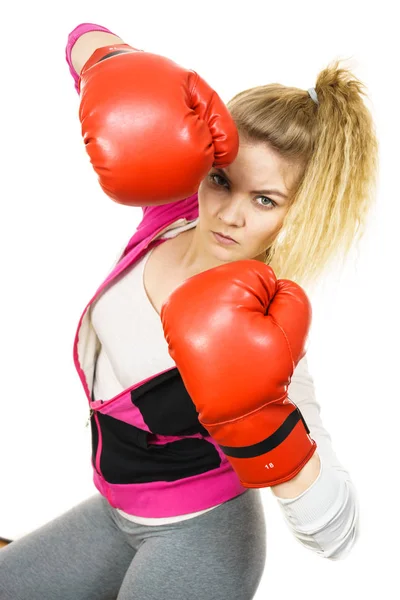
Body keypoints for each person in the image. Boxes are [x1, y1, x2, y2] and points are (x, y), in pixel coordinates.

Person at [0, 22, 378, 600]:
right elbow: (80, 38)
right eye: (223, 181)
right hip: (115, 511)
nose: (228, 214)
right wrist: (115, 66)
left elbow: (338, 533)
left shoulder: (263, 328)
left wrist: (272, 426)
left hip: (204, 538)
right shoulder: (172, 215)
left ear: (294, 215)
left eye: (265, 199)